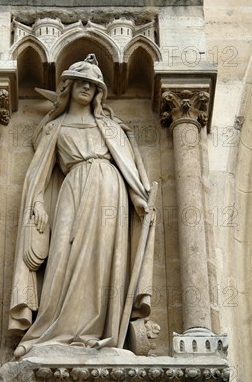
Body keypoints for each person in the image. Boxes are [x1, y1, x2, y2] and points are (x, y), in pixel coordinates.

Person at [9, 54, 154, 358]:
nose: (88, 87)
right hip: (73, 188)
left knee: (103, 260)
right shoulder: (55, 129)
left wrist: (141, 199)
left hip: (109, 189)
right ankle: (50, 330)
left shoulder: (110, 127)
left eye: (94, 83)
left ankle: (97, 332)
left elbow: (128, 168)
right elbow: (39, 173)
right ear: (70, 86)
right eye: (82, 82)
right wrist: (36, 202)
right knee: (62, 255)